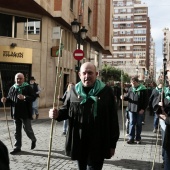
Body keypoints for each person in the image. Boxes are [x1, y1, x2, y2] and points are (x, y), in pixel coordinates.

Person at [49, 62, 119, 170]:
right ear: (79, 75)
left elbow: (113, 119)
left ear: (96, 74)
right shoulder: (73, 91)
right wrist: (56, 114)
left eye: (90, 73)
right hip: (79, 141)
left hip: (98, 142)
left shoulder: (106, 91)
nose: (87, 76)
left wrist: (112, 144)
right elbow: (66, 110)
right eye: (84, 73)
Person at [1, 73, 37, 155]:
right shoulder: (12, 88)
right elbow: (10, 98)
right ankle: (17, 147)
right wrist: (5, 99)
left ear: (23, 79)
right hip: (16, 113)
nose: (19, 80)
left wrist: (24, 97)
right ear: (15, 79)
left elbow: (33, 97)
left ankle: (33, 139)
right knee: (17, 131)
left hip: (25, 113)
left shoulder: (28, 87)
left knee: (27, 129)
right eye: (17, 78)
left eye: (20, 78)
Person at [121, 76, 148, 144]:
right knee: (132, 123)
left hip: (140, 110)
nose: (132, 84)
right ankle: (131, 138)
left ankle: (138, 138)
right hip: (131, 109)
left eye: (134, 83)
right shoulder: (130, 89)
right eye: (132, 83)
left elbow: (146, 100)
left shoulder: (143, 89)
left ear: (137, 82)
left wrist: (143, 109)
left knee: (139, 124)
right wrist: (123, 97)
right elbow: (128, 97)